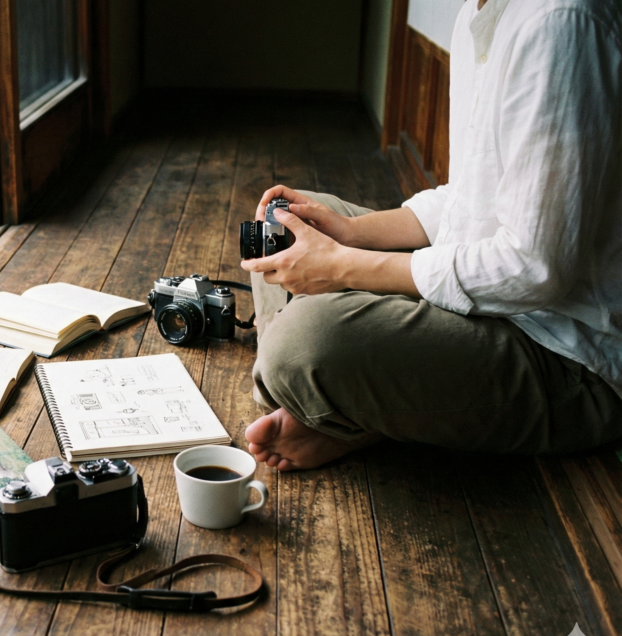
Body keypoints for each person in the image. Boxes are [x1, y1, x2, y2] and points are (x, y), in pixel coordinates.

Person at [241, 0, 622, 471]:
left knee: (300, 342)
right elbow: (466, 199)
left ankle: (341, 404)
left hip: (565, 353)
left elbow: (532, 268)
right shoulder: (476, 19)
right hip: (484, 294)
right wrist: (350, 231)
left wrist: (342, 266)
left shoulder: (561, 23)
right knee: (283, 226)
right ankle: (341, 403)